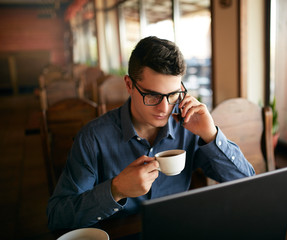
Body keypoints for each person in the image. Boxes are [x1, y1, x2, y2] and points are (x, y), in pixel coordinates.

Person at [47, 36, 255, 230]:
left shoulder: (189, 127)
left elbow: (249, 184)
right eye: (153, 96)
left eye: (173, 94)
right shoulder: (92, 138)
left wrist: (210, 135)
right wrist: (115, 189)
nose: (165, 108)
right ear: (129, 85)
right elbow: (57, 217)